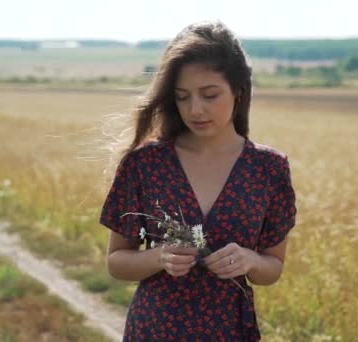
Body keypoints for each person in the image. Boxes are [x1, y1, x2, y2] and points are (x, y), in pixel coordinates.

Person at [99, 20, 297, 341]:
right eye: (182, 97)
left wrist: (249, 260)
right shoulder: (144, 164)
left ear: (239, 90)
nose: (195, 109)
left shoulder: (269, 168)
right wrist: (159, 257)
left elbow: (272, 267)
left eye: (209, 95)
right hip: (154, 330)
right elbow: (116, 262)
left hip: (229, 331)